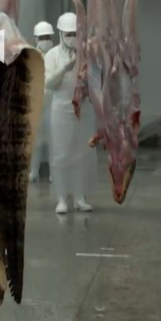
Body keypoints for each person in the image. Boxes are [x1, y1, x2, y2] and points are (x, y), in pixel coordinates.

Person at [45, 13, 97, 214]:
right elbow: (49, 83)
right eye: (68, 34)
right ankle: (61, 199)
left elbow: (97, 81)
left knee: (82, 154)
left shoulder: (88, 54)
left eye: (75, 33)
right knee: (61, 155)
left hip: (83, 110)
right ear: (60, 34)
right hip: (60, 110)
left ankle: (80, 197)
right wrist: (65, 69)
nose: (72, 37)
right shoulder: (53, 55)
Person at [30, 21, 55, 183]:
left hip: (53, 104)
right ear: (36, 39)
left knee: (54, 141)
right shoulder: (30, 56)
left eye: (47, 37)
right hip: (36, 104)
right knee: (36, 141)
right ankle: (34, 171)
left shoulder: (56, 55)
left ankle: (54, 172)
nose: (45, 40)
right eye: (42, 37)